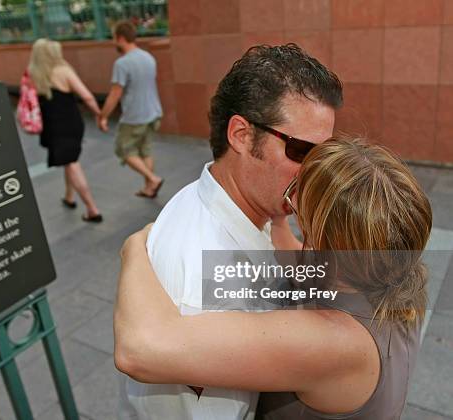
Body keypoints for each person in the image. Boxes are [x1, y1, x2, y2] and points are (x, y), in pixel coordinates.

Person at [115, 136, 432, 420]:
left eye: (300, 205)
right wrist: (279, 218)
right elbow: (301, 259)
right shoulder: (399, 274)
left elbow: (140, 350)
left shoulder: (332, 342)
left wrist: (134, 249)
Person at [114, 44, 343, 420]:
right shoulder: (204, 287)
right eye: (302, 151)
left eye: (325, 154)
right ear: (240, 134)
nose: (317, 172)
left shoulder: (249, 203)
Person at [28, 38, 103, 222]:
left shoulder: (33, 73)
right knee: (70, 161)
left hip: (52, 126)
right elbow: (86, 96)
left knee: (69, 161)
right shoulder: (63, 70)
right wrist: (100, 115)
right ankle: (91, 208)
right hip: (70, 123)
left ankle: (77, 201)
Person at [98, 21, 164, 198]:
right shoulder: (148, 57)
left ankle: (152, 178)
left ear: (120, 38)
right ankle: (149, 187)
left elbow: (115, 94)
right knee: (146, 150)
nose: (113, 43)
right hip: (154, 112)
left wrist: (103, 116)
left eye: (113, 38)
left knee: (124, 150)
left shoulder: (122, 63)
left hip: (135, 117)